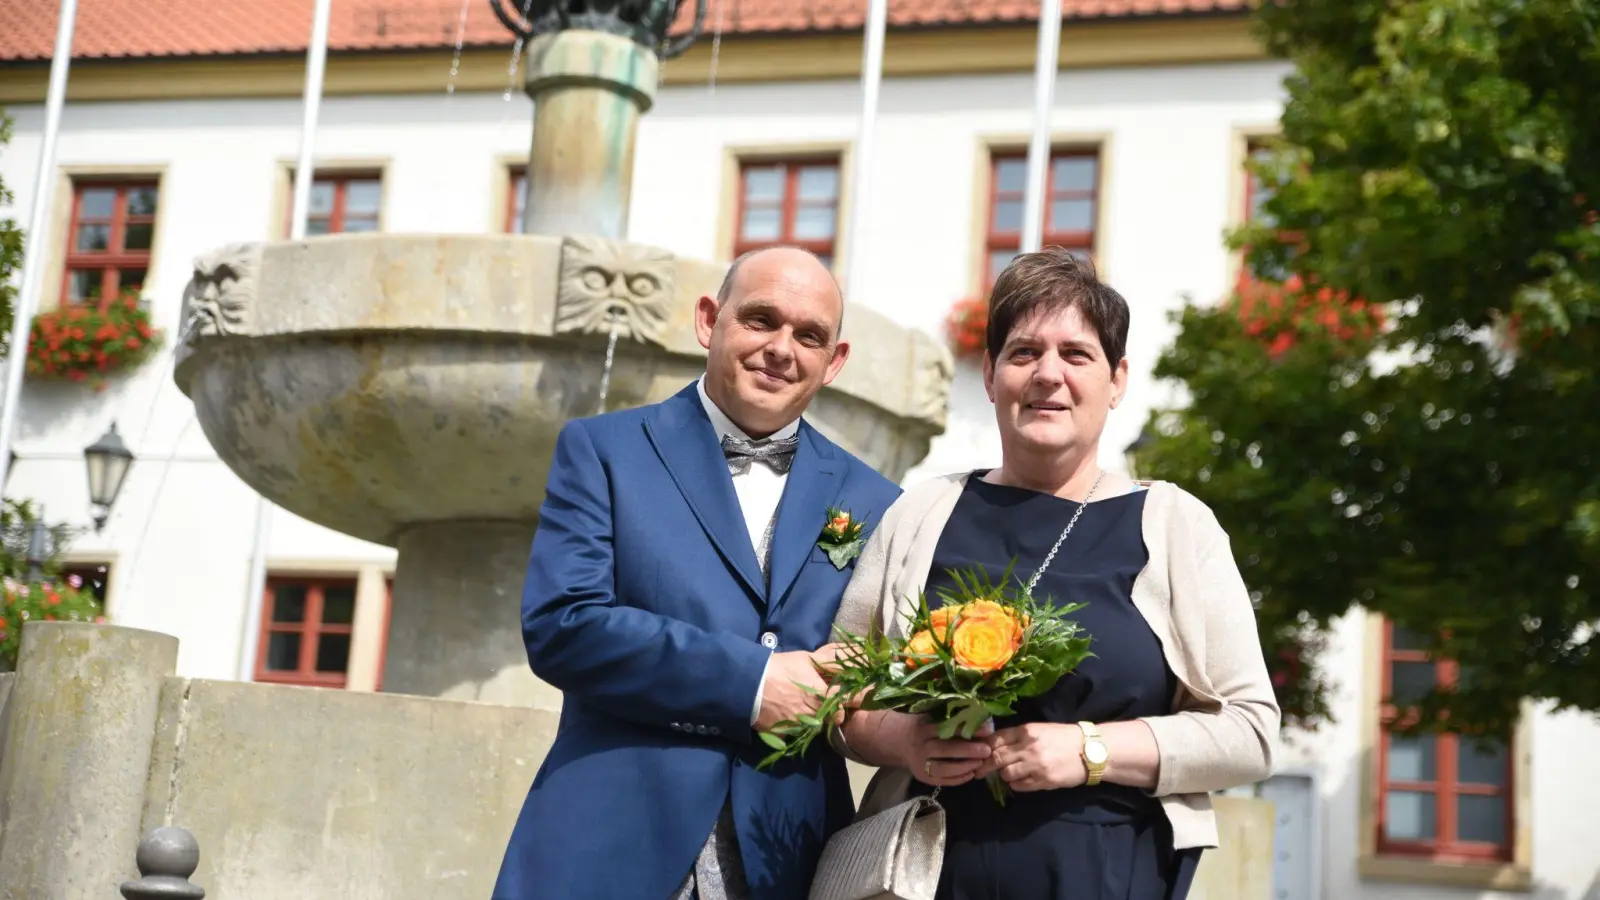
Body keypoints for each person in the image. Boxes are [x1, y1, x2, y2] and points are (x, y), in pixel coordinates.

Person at [829, 247, 1280, 900]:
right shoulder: (924, 512)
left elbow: (1251, 733)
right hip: (929, 875)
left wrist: (1090, 750)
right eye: (1022, 353)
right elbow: (839, 683)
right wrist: (903, 740)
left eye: (1076, 354)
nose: (1048, 375)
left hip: (1108, 875)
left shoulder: (1174, 524)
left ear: (1117, 379)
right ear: (989, 375)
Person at [491, 246, 902, 900]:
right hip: (614, 843)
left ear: (835, 362)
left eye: (809, 335)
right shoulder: (605, 451)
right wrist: (753, 681)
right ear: (710, 320)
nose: (781, 348)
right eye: (761, 320)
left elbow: (873, 666)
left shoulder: (875, 498)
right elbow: (564, 626)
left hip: (791, 857)